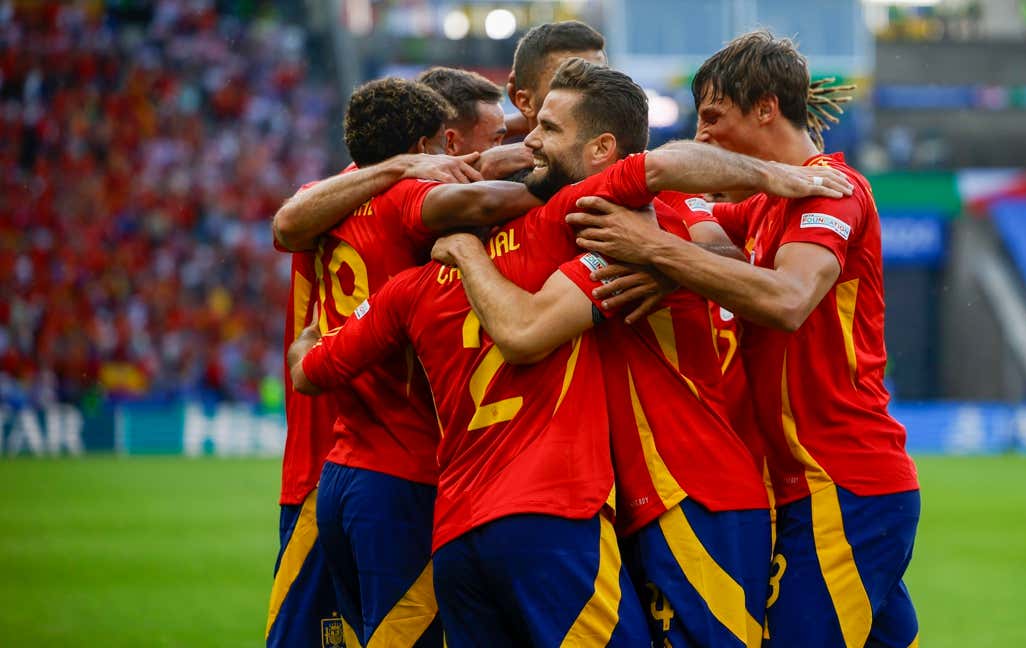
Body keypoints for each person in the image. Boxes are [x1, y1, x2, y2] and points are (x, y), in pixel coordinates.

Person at [288, 58, 849, 648]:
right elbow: (529, 327)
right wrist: (770, 181)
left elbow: (312, 364)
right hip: (562, 514)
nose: (526, 137)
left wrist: (670, 261)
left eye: (544, 129)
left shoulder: (415, 284)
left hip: (479, 522)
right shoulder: (569, 222)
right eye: (518, 130)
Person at [566, 32, 922, 647]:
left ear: (765, 107)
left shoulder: (833, 192)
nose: (701, 137)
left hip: (841, 481)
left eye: (712, 118)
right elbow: (689, 224)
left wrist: (654, 252)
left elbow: (786, 301)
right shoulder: (762, 206)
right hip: (807, 487)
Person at [272, 75, 537, 647]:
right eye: (450, 149)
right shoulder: (405, 197)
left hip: (346, 463)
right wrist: (570, 179)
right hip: (403, 470)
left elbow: (287, 222)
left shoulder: (338, 195)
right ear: (426, 147)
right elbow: (481, 200)